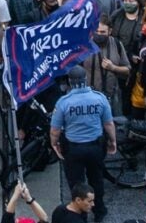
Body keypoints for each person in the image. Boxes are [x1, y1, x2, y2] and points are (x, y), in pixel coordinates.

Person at [50, 66, 114, 222]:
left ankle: (81, 214)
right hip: (95, 147)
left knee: (76, 184)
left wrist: (54, 144)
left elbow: (55, 130)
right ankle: (99, 211)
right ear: (85, 80)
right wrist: (112, 141)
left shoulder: (63, 102)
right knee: (96, 179)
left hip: (73, 149)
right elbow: (108, 124)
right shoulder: (99, 98)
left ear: (70, 82)